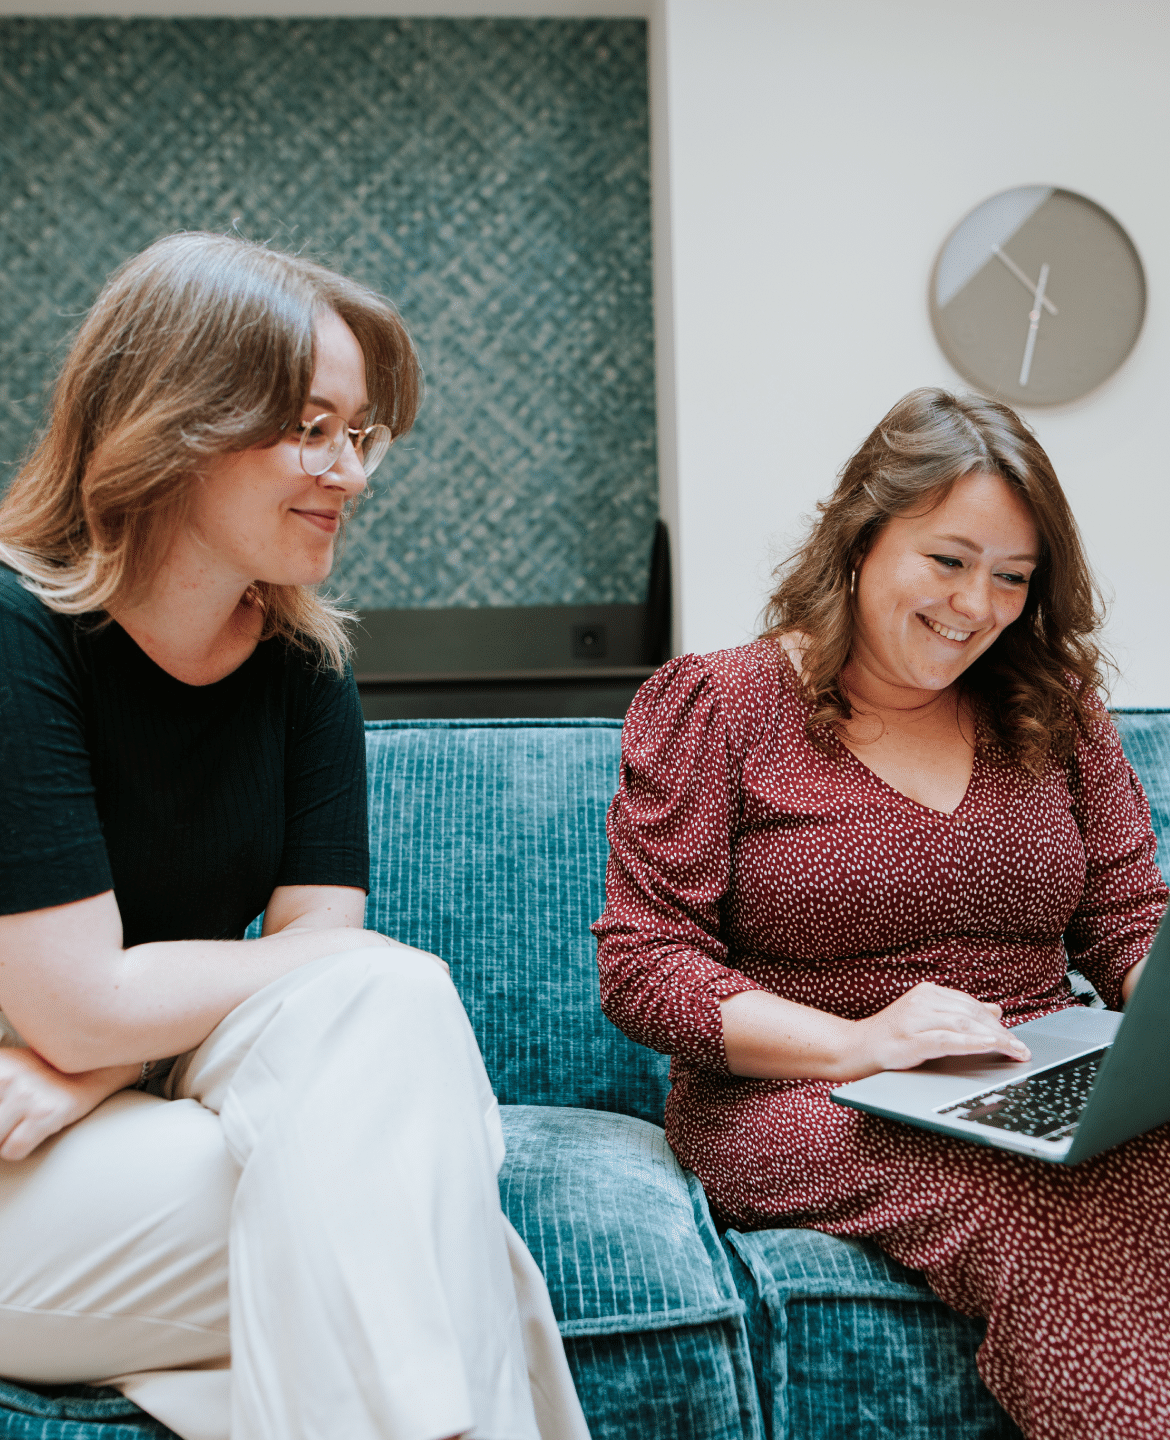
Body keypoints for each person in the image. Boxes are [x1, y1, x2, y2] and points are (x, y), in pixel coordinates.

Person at [0, 232, 590, 1440]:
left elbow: (324, 974)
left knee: (390, 1025)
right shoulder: (18, 634)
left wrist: (101, 1059)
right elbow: (74, 999)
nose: (353, 471)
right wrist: (95, 1035)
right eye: (310, 427)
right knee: (426, 1214)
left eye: (359, 433)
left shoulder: (304, 662)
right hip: (14, 1158)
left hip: (120, 1104)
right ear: (175, 421)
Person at [593, 388, 1169, 1440]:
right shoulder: (718, 707)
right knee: (1017, 1189)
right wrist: (862, 1042)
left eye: (1012, 577)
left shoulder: (1052, 703)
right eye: (948, 560)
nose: (976, 605)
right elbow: (646, 964)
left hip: (1027, 1066)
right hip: (806, 1092)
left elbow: (1128, 913)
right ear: (860, 538)